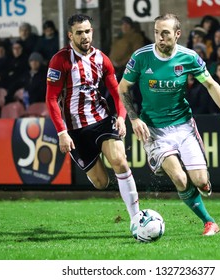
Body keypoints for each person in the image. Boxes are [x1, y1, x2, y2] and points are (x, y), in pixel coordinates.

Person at [118, 13, 220, 236]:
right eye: (157, 32)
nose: (160, 38)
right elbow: (123, 88)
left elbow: (212, 85)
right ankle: (209, 222)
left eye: (165, 33)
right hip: (154, 130)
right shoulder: (141, 57)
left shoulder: (189, 57)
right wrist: (134, 118)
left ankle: (203, 185)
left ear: (177, 34)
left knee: (200, 181)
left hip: (184, 126)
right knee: (179, 177)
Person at [46, 14, 140, 221]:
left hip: (101, 120)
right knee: (101, 182)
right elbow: (51, 99)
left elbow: (118, 93)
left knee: (120, 161)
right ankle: (96, 159)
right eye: (79, 33)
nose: (84, 36)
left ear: (92, 32)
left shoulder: (102, 59)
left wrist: (121, 117)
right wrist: (62, 132)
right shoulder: (59, 60)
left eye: (87, 31)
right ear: (71, 36)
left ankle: (136, 218)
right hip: (75, 130)